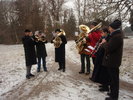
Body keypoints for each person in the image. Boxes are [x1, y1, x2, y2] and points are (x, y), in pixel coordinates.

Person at [102, 20, 123, 100]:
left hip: (113, 61)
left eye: (110, 27)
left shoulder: (117, 36)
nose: (109, 29)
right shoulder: (114, 35)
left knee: (114, 80)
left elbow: (108, 48)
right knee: (112, 79)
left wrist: (104, 42)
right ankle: (112, 92)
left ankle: (114, 97)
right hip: (111, 60)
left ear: (113, 28)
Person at [90, 28, 110, 92]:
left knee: (104, 72)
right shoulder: (103, 38)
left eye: (102, 32)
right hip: (100, 56)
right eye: (101, 32)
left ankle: (105, 86)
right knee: (101, 71)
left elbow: (107, 47)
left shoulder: (107, 38)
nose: (101, 34)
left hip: (103, 57)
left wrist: (102, 43)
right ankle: (103, 84)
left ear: (106, 32)